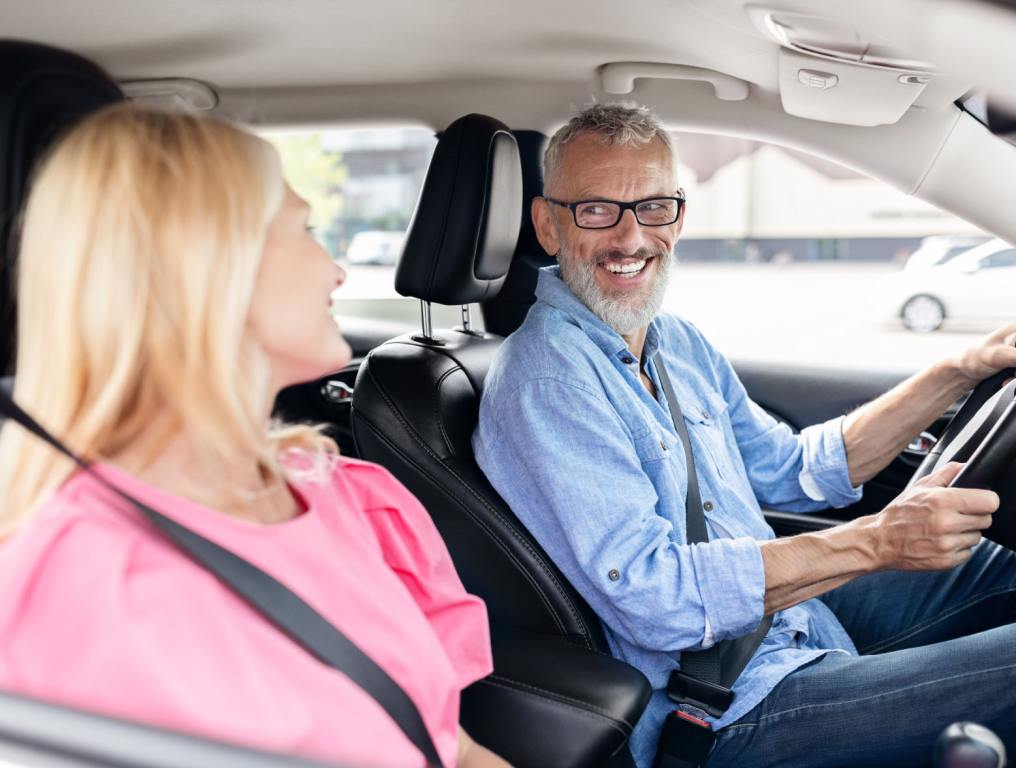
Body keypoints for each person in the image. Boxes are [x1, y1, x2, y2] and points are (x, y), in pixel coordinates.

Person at [473, 102, 1016, 767]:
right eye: (596, 211)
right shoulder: (548, 378)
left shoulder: (674, 342)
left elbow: (795, 470)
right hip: (723, 706)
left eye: (652, 208)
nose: (630, 238)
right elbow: (654, 596)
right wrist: (876, 541)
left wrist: (957, 371)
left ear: (678, 214)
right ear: (548, 225)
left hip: (791, 627)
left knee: (1000, 563)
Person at [0, 104, 509, 768]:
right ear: (206, 266)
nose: (337, 270)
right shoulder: (82, 586)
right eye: (305, 229)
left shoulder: (341, 490)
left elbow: (451, 742)